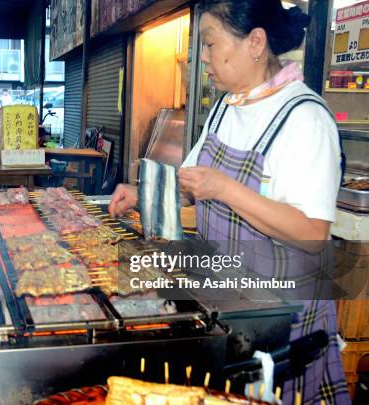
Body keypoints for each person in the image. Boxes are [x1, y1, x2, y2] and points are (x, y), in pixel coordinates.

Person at [109, 1, 348, 404]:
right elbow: (193, 182)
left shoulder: (305, 119)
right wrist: (142, 195)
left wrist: (224, 189)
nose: (201, 57)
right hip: (230, 307)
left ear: (255, 42)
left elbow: (312, 232)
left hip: (282, 323)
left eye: (209, 43)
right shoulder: (226, 106)